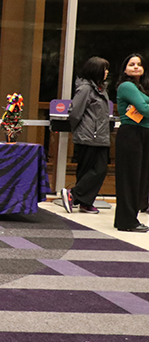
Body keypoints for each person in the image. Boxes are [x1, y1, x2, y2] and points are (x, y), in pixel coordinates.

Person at [60, 57, 110, 215]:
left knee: (95, 170)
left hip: (100, 136)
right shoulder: (85, 89)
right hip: (88, 135)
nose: (107, 72)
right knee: (96, 169)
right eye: (104, 69)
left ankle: (85, 202)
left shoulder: (101, 89)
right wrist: (80, 129)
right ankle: (73, 195)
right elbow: (75, 112)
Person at [114, 53, 149, 232]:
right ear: (125, 69)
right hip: (131, 134)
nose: (136, 67)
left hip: (143, 134)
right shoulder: (126, 86)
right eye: (131, 64)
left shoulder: (141, 88)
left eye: (139, 64)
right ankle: (127, 221)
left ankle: (128, 219)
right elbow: (144, 109)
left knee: (139, 178)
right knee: (130, 178)